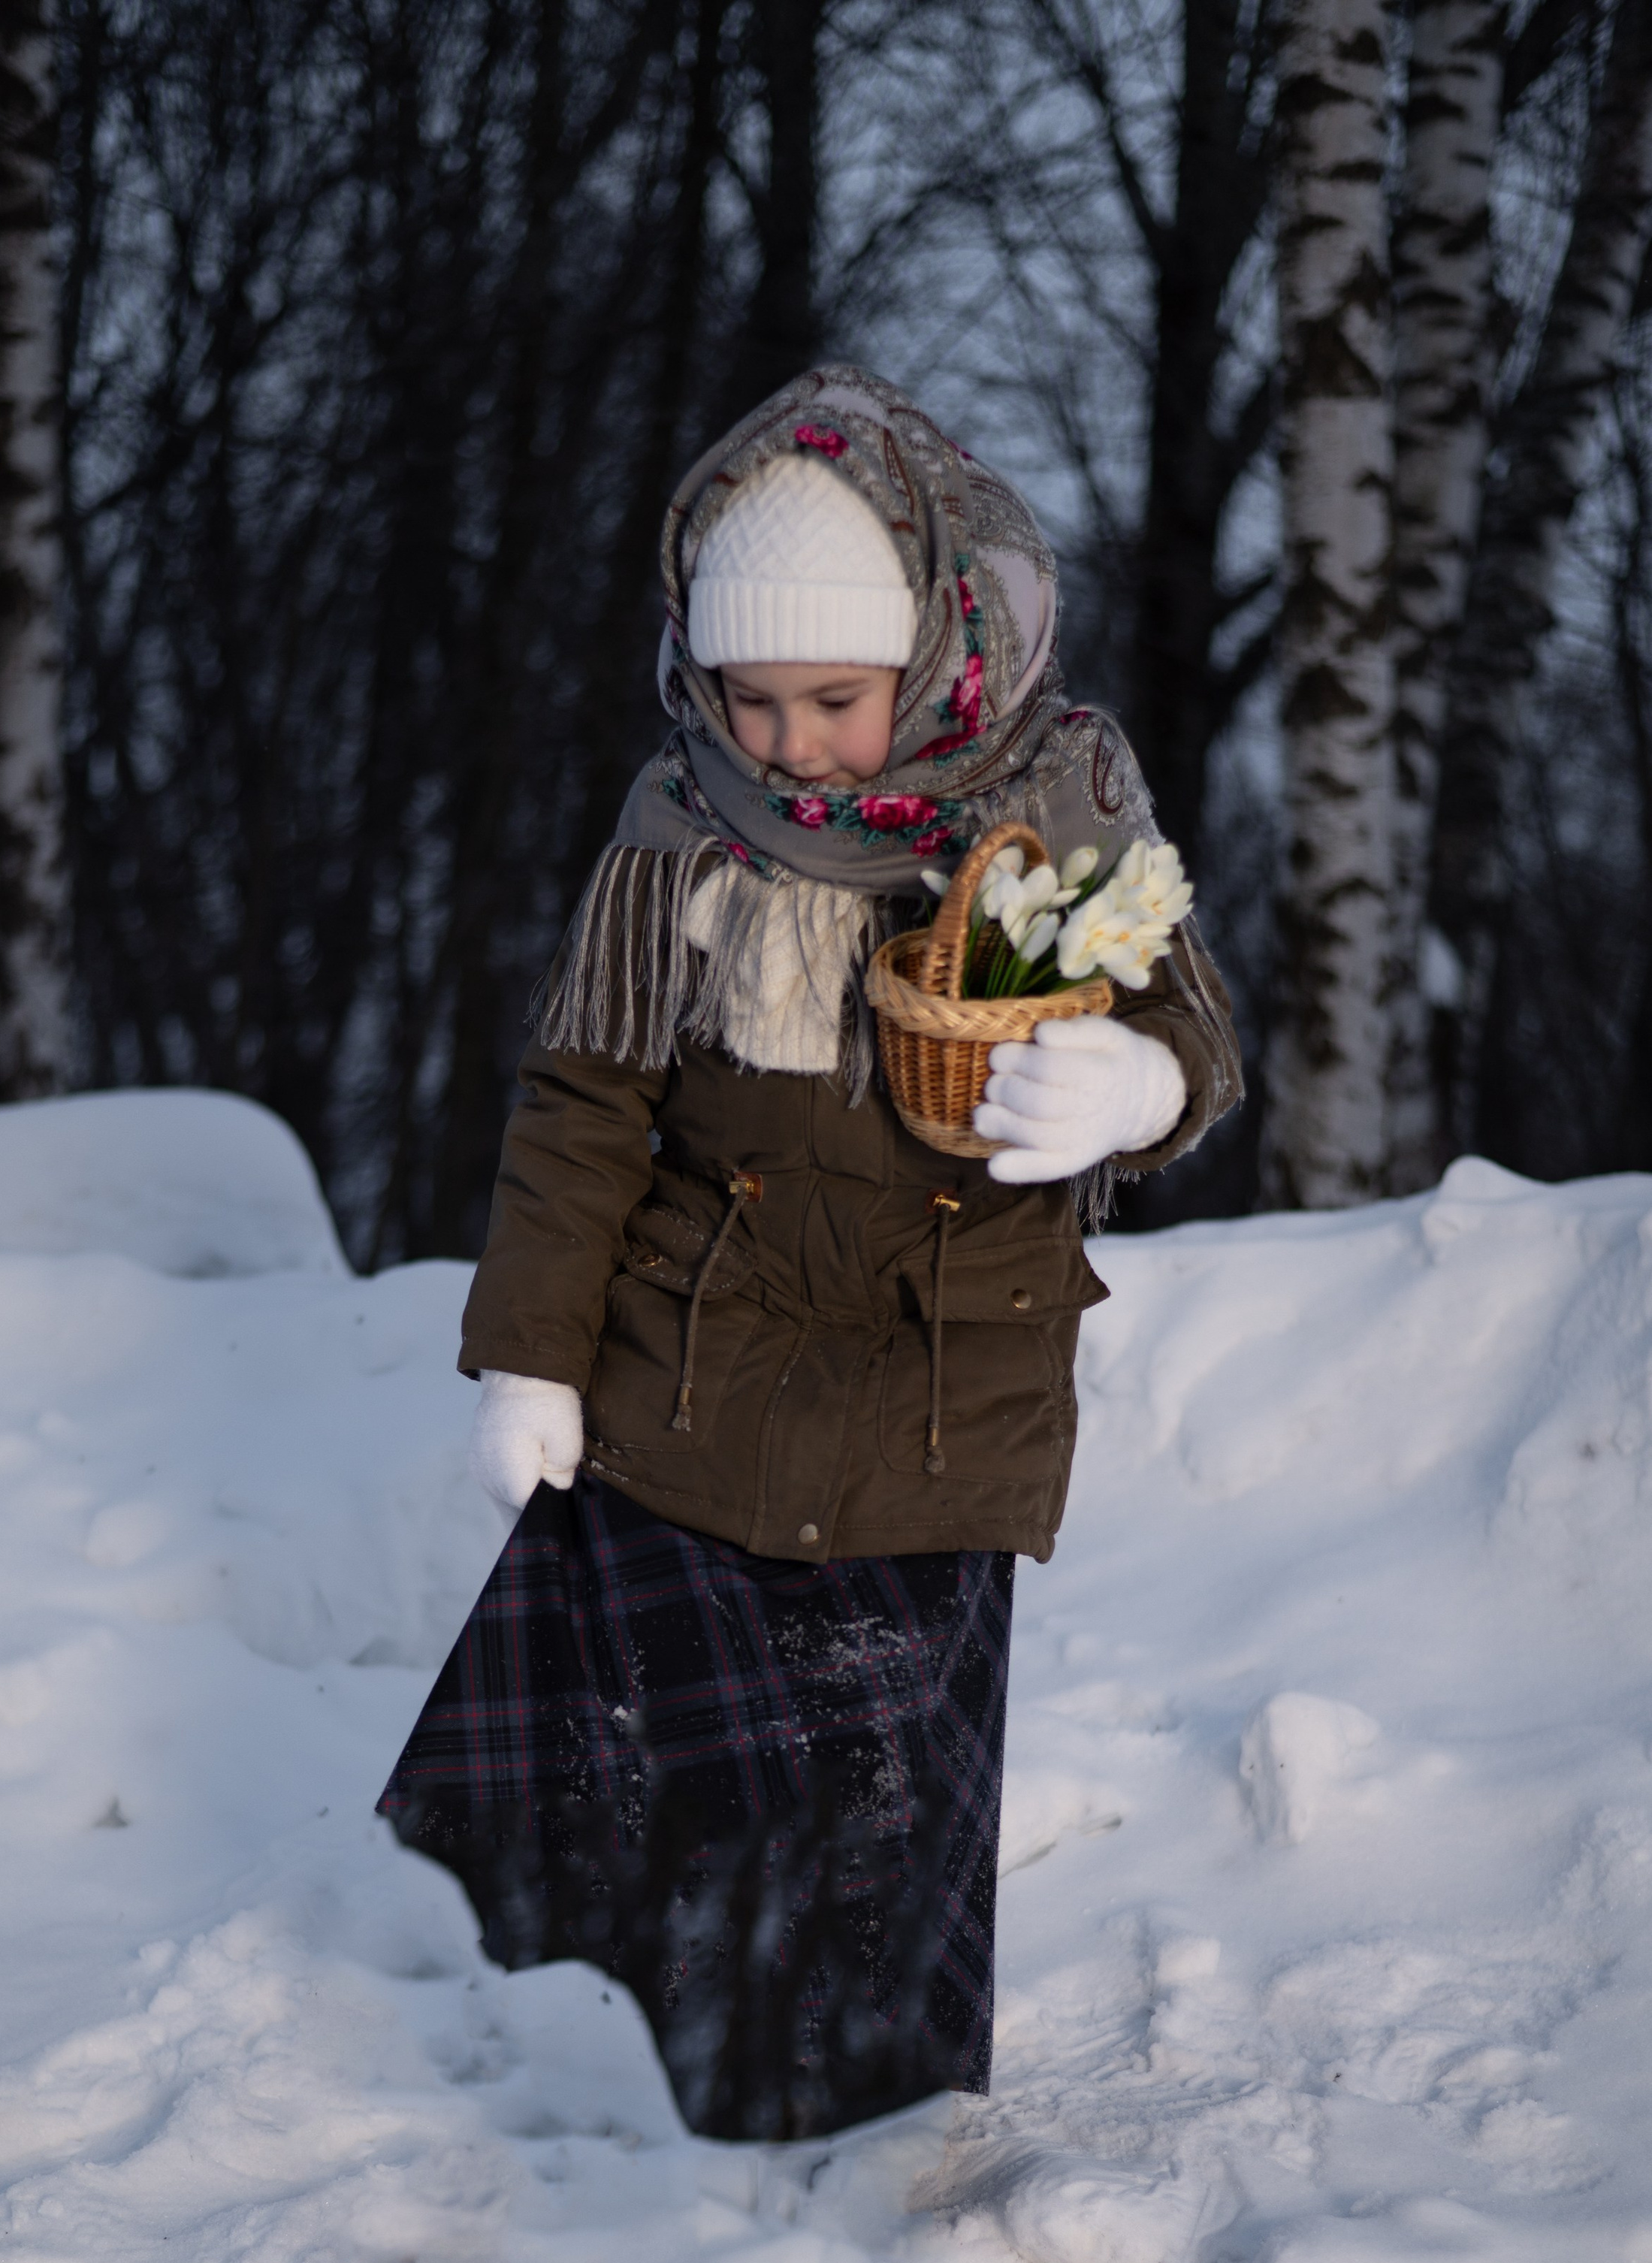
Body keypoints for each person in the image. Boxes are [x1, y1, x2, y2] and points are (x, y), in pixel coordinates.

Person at [378, 367, 1240, 2144]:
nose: (785, 743)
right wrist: (531, 1351)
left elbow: (1190, 1026)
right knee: (688, 1776)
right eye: (746, 698)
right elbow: (584, 1100)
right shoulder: (674, 830)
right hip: (692, 1370)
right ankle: (661, 2100)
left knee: (879, 1786)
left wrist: (1135, 1084)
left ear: (927, 656)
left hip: (941, 1389)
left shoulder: (1058, 804)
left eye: (831, 700)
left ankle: (874, 2130)